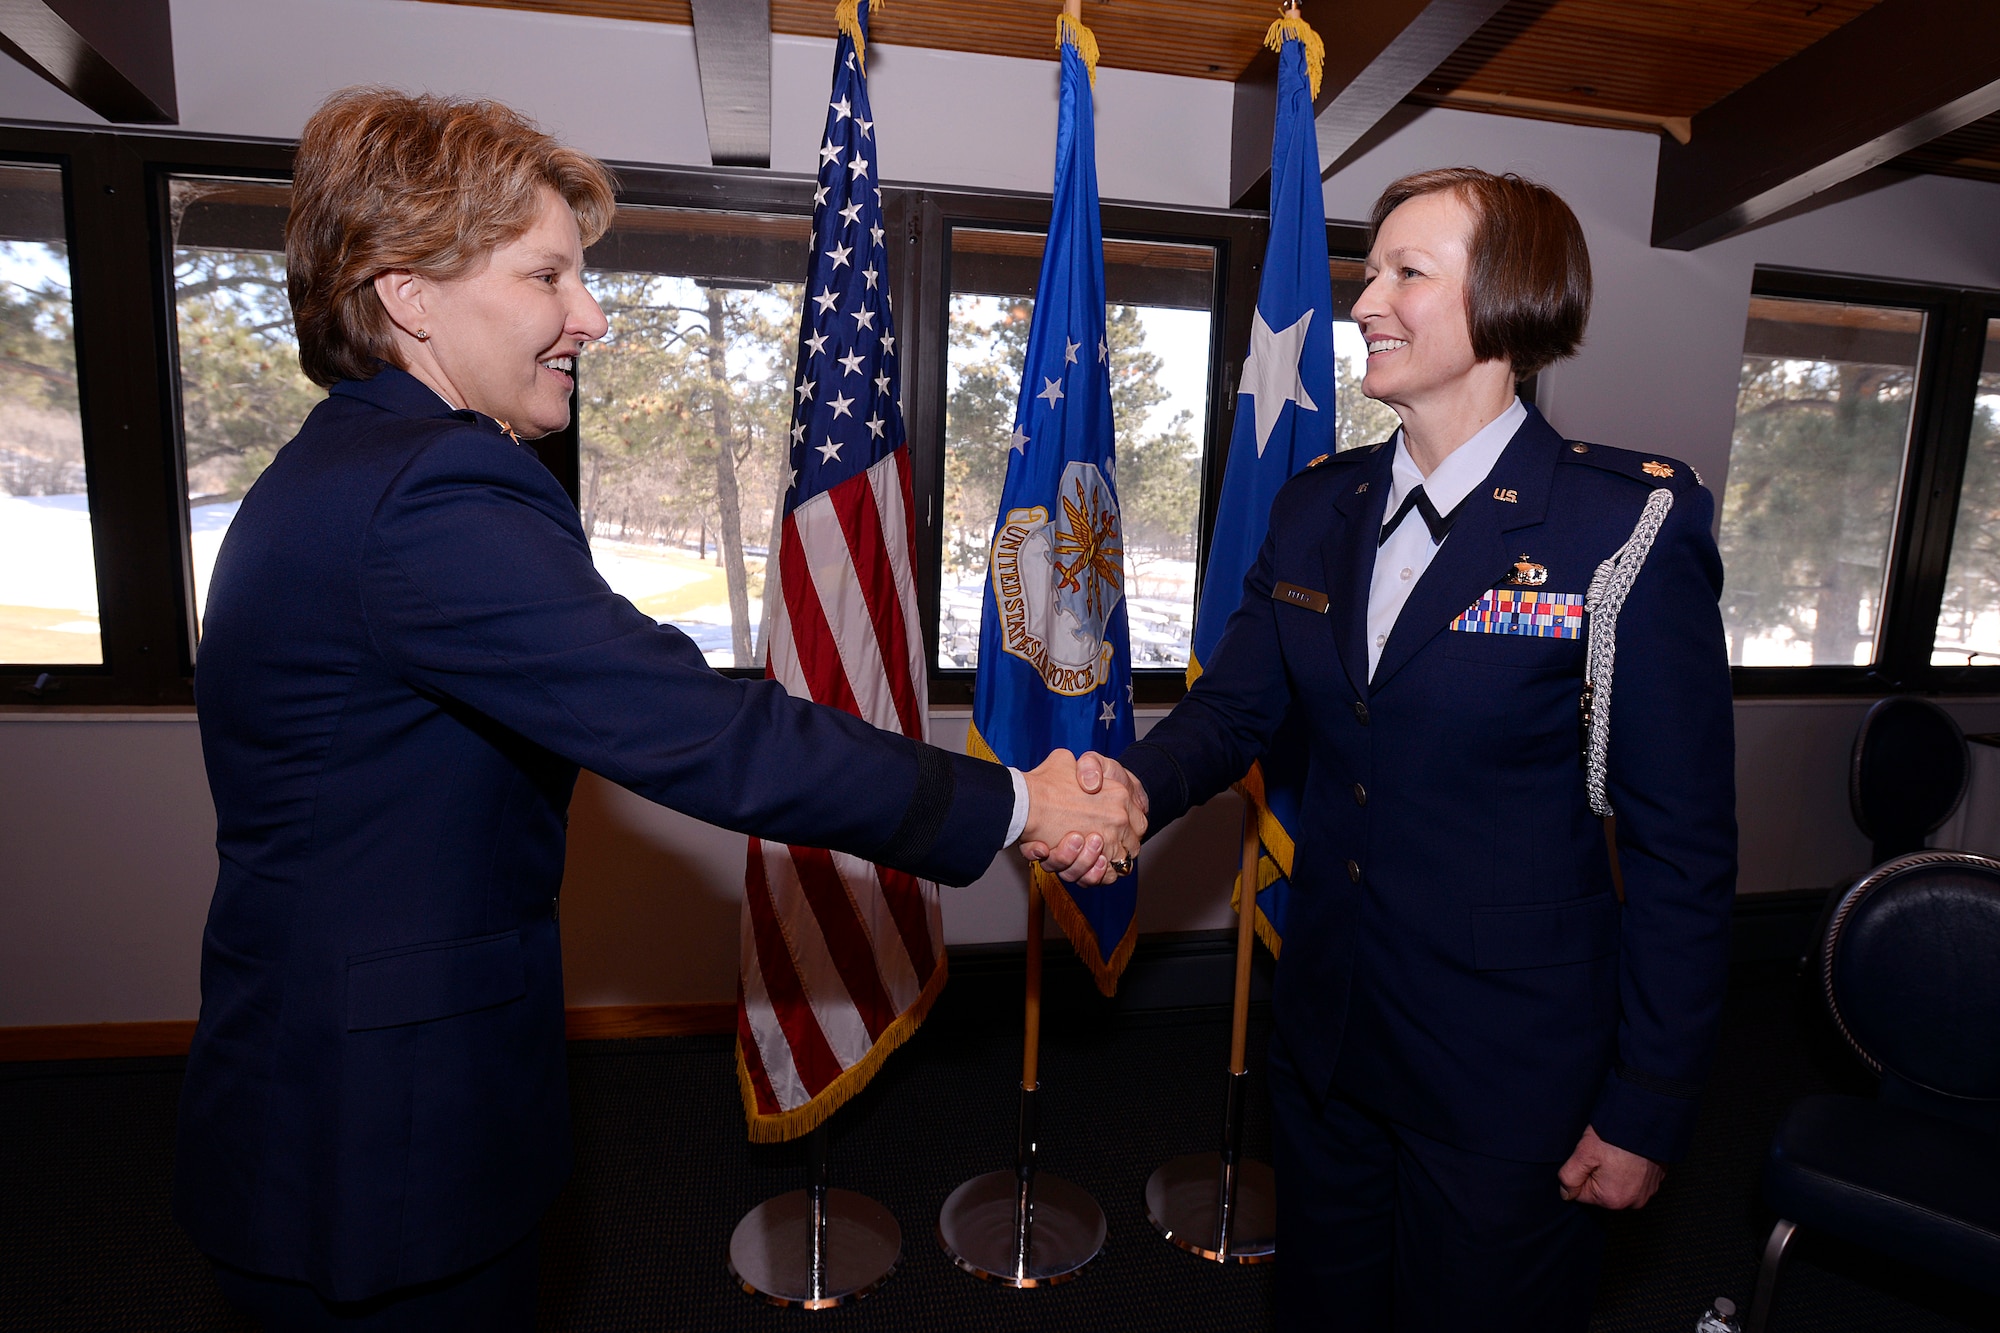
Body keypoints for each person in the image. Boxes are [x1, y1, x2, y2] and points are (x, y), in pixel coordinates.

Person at [174, 88, 1143, 1329]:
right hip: (380, 1132)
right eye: (547, 277)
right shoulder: (431, 492)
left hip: (325, 1086)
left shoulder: (346, 466)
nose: (591, 314)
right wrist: (1020, 800)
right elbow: (698, 729)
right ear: (407, 290)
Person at [1058, 168, 1736, 1329]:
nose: (1362, 300)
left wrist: (1646, 1105)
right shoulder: (1315, 507)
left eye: (1404, 273)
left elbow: (1682, 855)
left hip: (1506, 1069)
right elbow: (1234, 714)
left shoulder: (1619, 528)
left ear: (1510, 302)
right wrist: (1124, 790)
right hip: (1328, 1034)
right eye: (1367, 270)